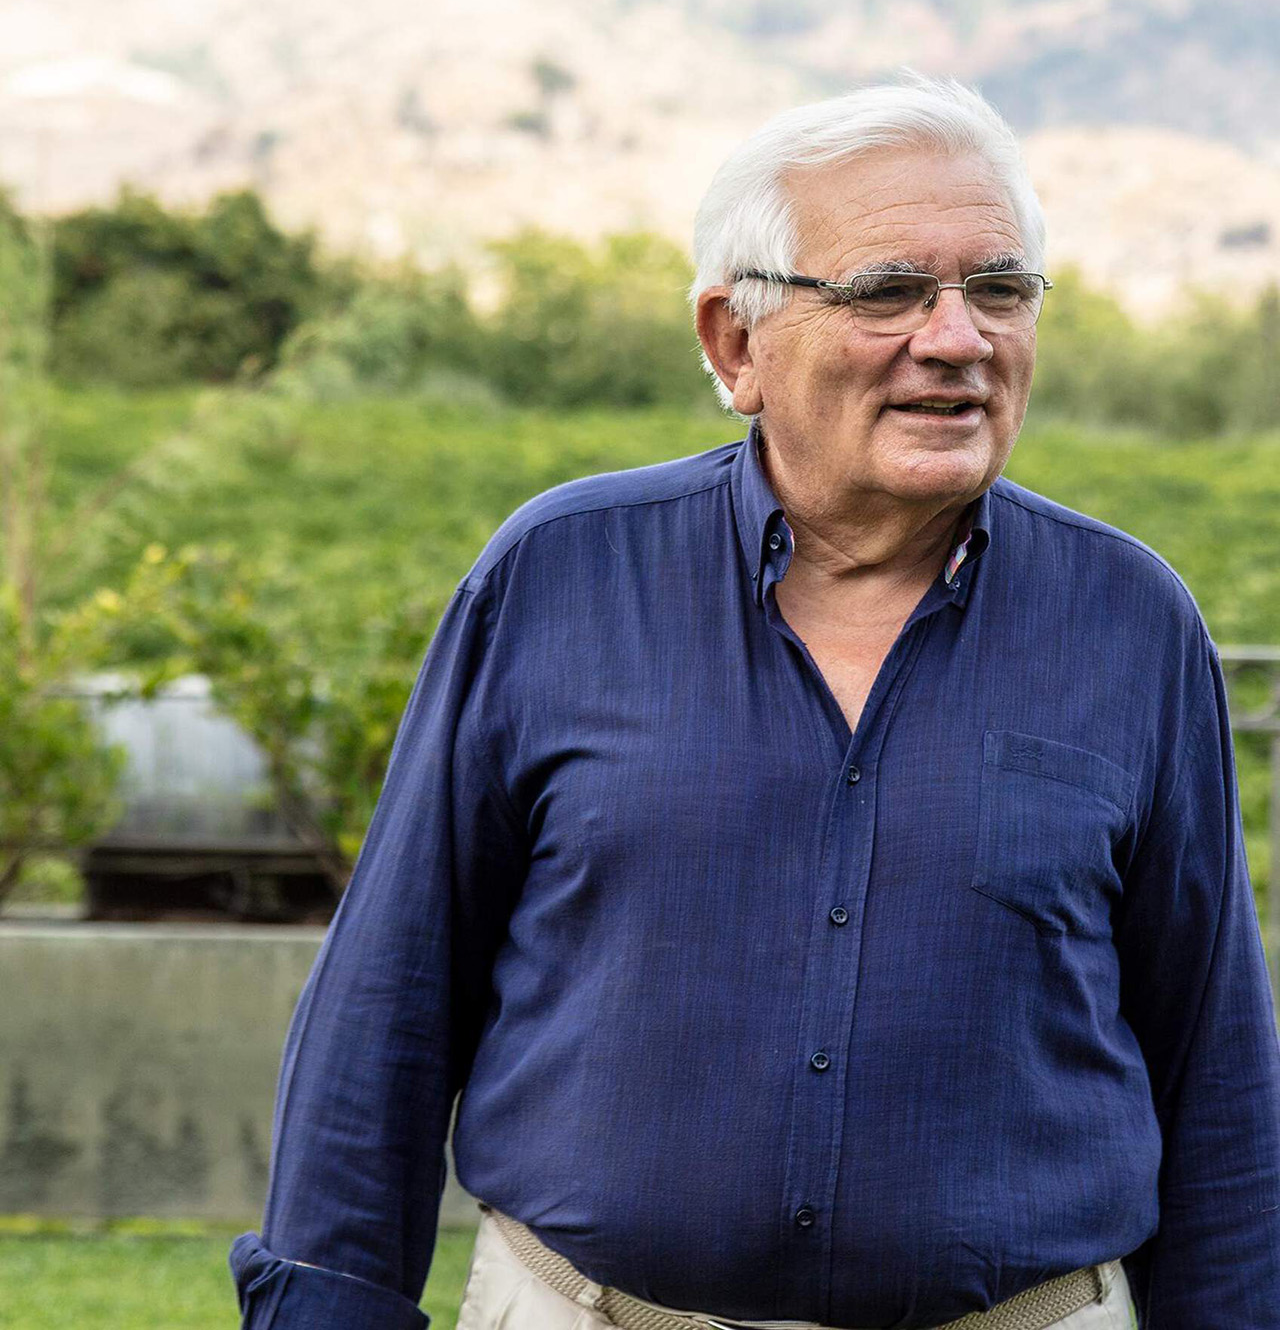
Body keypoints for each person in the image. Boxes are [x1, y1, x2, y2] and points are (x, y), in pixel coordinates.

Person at [230, 76, 1280, 1330]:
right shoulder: (559, 575)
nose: (956, 337)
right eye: (888, 291)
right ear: (735, 343)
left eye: (998, 290)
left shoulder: (1129, 620)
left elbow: (1214, 1063)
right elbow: (392, 996)